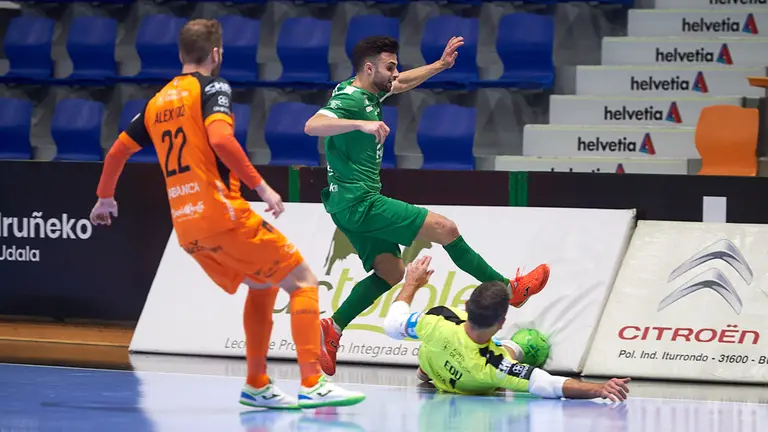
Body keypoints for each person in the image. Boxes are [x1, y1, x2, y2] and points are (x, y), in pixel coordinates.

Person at [88, 19, 364, 410]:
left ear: (181, 54)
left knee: (263, 284)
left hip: (187, 228)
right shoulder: (212, 87)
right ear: (216, 54)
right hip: (221, 214)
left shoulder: (156, 102)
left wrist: (104, 198)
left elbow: (117, 151)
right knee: (303, 280)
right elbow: (220, 138)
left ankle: (257, 385)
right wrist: (261, 186)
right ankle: (313, 383)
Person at [303, 35, 551, 376]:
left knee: (391, 272)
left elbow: (402, 83)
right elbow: (312, 125)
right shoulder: (350, 99)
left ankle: (333, 328)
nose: (395, 73)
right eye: (390, 67)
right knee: (446, 229)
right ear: (369, 68)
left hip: (344, 205)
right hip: (361, 202)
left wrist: (440, 65)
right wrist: (361, 124)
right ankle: (511, 290)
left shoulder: (369, 90)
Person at [383, 256, 632, 402]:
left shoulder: (437, 319)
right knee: (511, 352)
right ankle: (518, 346)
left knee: (436, 344)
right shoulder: (497, 365)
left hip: (434, 364)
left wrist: (411, 283)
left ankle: (425, 370)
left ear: (467, 305)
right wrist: (599, 389)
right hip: (469, 380)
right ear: (501, 323)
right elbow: (547, 384)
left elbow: (393, 324)